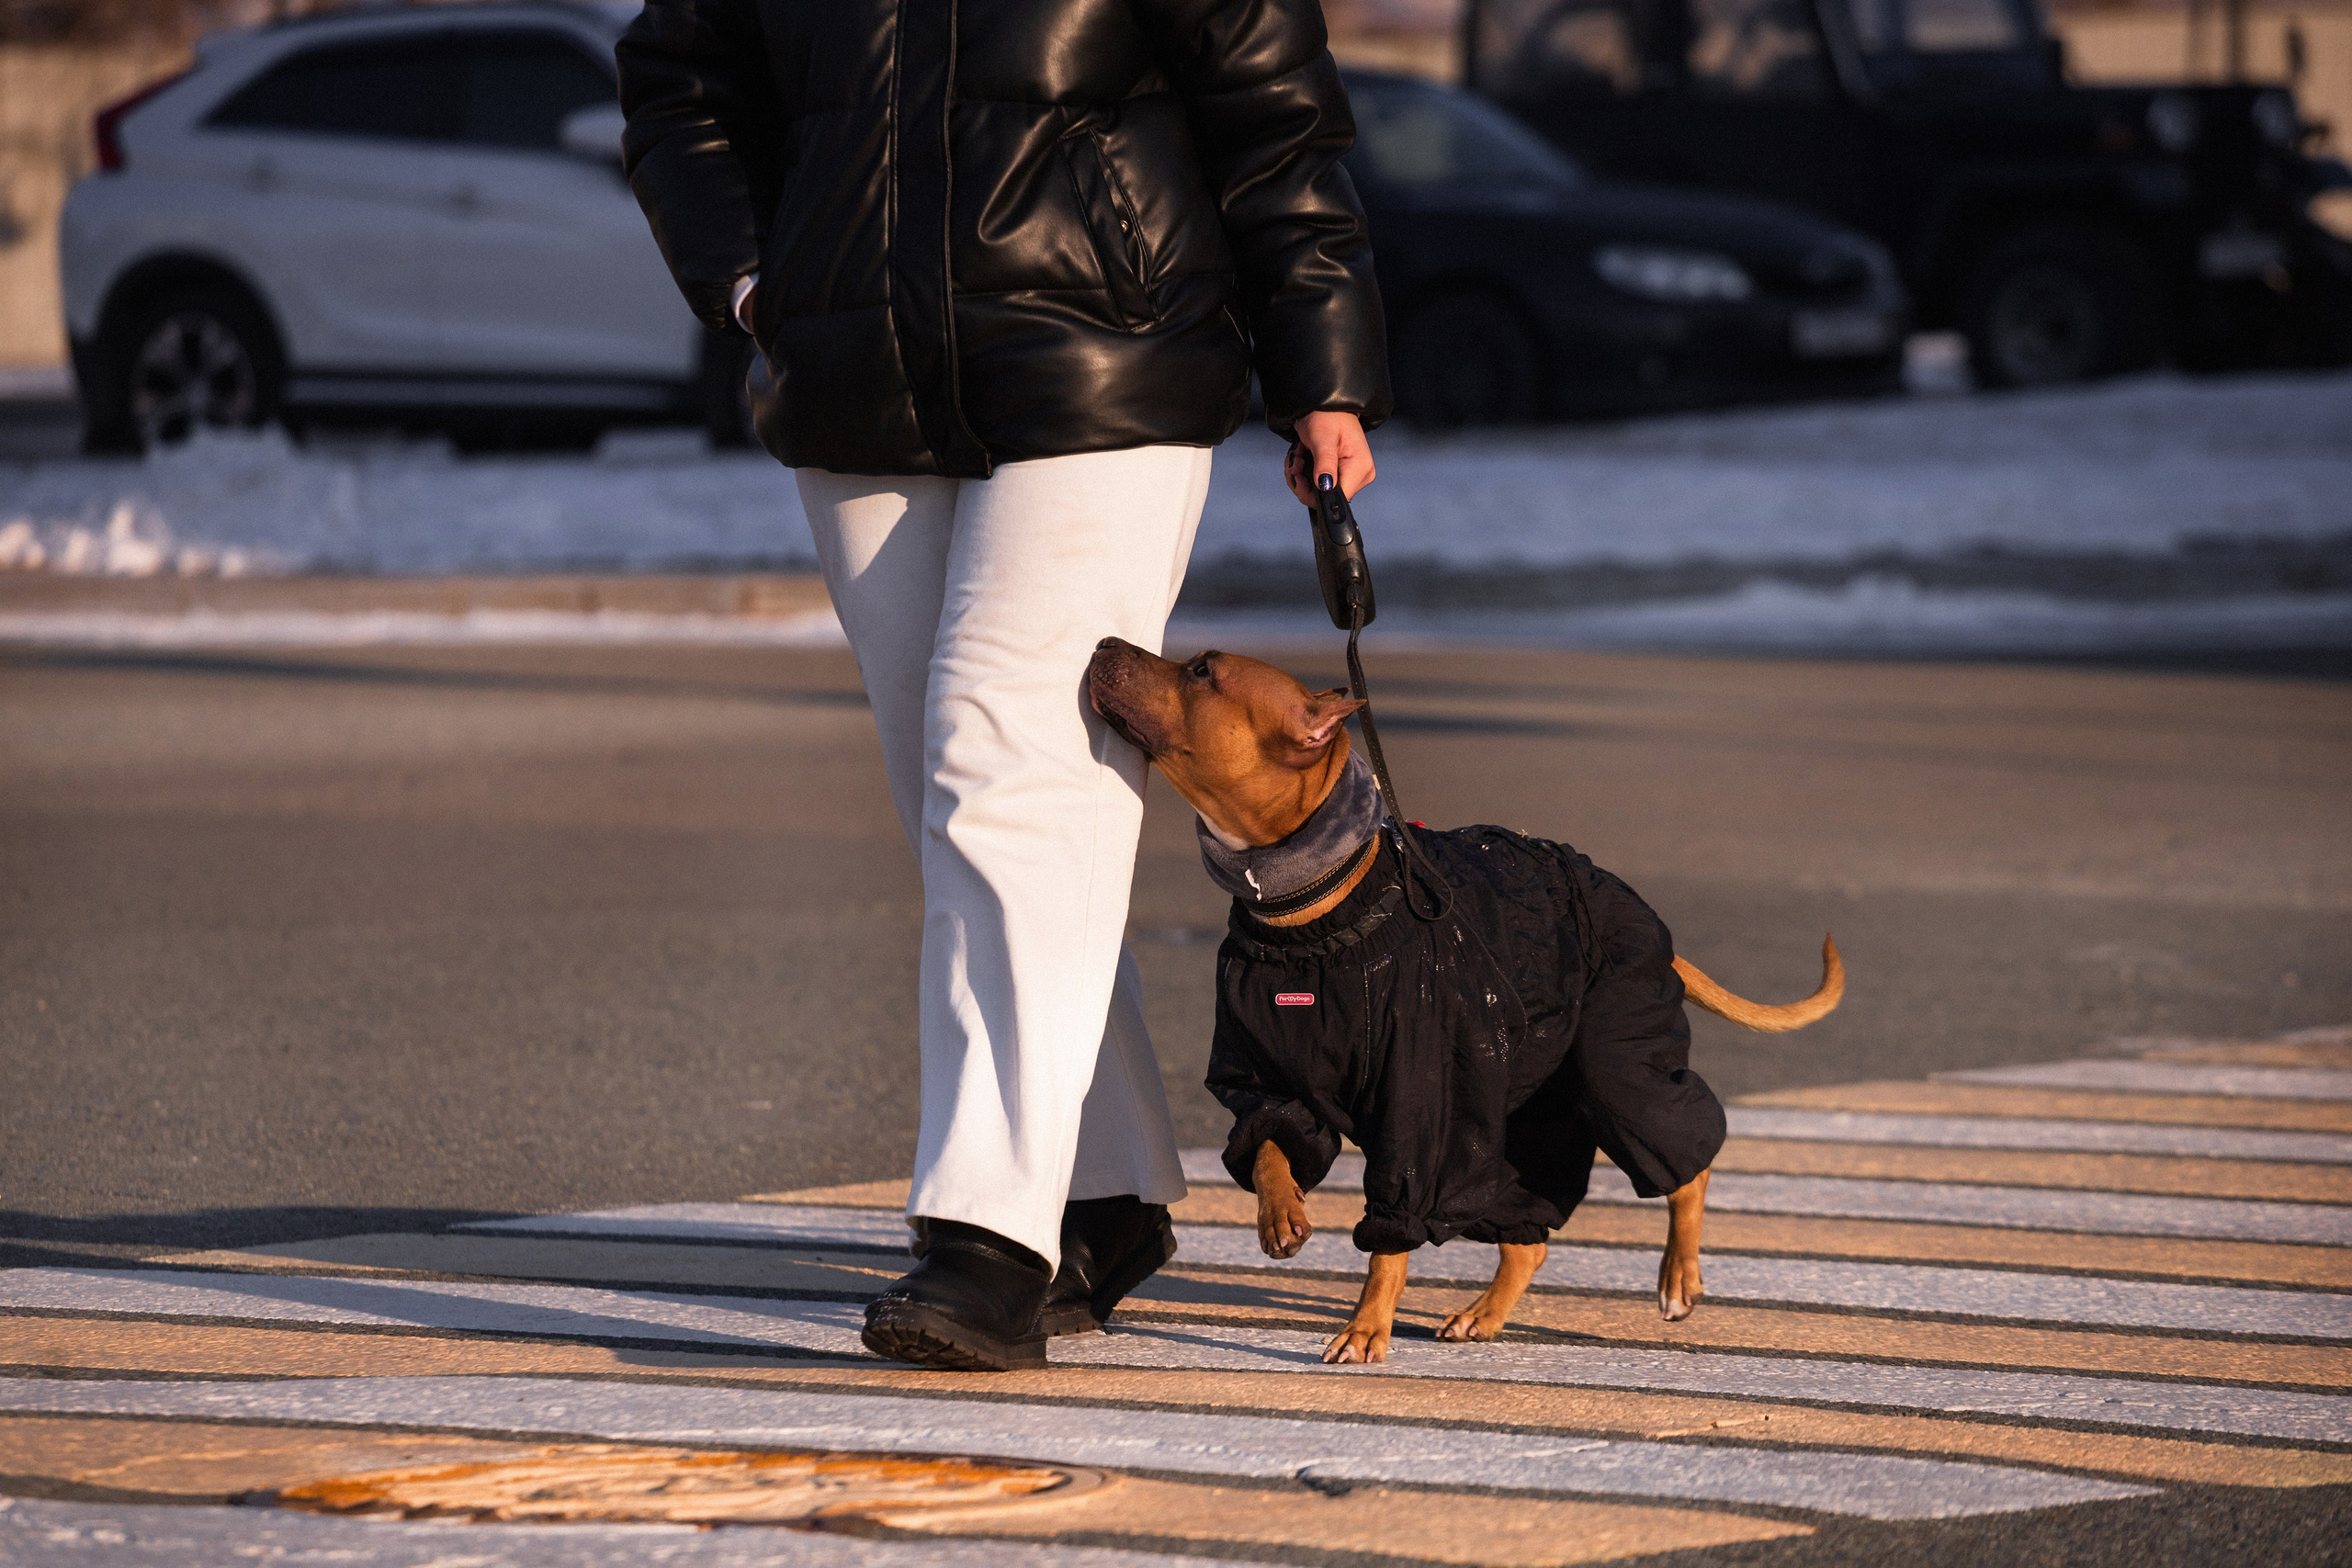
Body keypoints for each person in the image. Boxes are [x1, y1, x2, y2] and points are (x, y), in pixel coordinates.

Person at [616, 0, 1390, 1371]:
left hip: (1114, 354)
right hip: (856, 374)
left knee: (1007, 760)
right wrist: (756, 280)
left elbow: (1274, 103)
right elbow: (679, 76)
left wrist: (1321, 364)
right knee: (955, 795)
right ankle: (1097, 1186)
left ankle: (988, 1235)